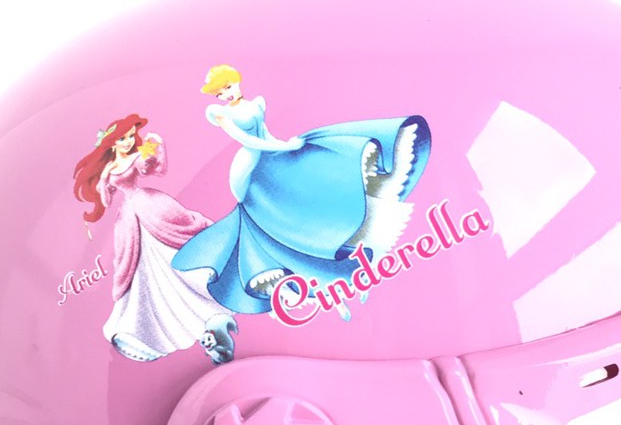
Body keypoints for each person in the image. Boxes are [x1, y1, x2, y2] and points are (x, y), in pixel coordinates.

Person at [172, 66, 431, 320]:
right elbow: (247, 140)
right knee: (266, 203)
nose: (226, 94)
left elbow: (264, 133)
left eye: (228, 87)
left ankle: (322, 233)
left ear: (236, 81)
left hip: (271, 151)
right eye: (219, 93)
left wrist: (283, 145)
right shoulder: (221, 113)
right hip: (248, 165)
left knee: (302, 174)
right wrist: (282, 147)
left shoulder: (256, 104)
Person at [72, 114, 236, 362]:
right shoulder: (109, 169)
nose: (128, 141)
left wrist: (155, 150)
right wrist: (102, 192)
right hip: (129, 217)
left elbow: (155, 169)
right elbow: (104, 196)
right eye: (122, 139)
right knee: (138, 266)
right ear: (112, 144)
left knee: (176, 243)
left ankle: (215, 289)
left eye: (130, 136)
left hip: (150, 205)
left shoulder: (136, 157)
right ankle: (145, 329)